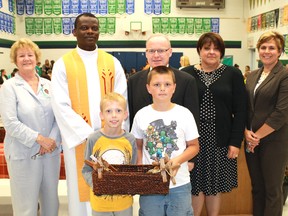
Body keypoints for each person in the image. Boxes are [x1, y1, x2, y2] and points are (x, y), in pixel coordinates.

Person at [51, 12, 128, 216]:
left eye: (94, 28)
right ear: (74, 32)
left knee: (111, 188)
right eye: (84, 28)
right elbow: (60, 104)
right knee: (81, 191)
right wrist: (89, 135)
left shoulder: (112, 62)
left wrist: (109, 133)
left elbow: (121, 99)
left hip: (110, 138)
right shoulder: (63, 64)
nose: (90, 31)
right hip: (79, 139)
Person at [181, 32, 247, 216]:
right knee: (195, 185)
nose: (211, 52)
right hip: (193, 141)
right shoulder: (186, 74)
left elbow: (241, 110)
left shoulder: (233, 74)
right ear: (199, 50)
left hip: (221, 140)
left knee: (214, 185)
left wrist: (235, 141)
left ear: (222, 53)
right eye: (207, 48)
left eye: (216, 49)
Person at [0, 38, 61, 216]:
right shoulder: (9, 87)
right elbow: (10, 123)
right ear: (15, 60)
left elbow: (59, 117)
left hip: (50, 153)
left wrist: (51, 141)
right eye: (21, 56)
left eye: (30, 55)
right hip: (23, 154)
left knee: (51, 204)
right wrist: (40, 139)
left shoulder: (48, 85)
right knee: (25, 207)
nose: (26, 59)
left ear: (37, 58)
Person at [131, 66, 199, 216]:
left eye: (167, 84)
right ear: (148, 88)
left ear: (174, 87)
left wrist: (178, 161)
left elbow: (194, 146)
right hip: (150, 184)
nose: (162, 89)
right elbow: (138, 146)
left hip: (179, 184)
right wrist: (140, 173)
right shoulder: (141, 115)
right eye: (157, 85)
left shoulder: (185, 114)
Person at [244, 31, 288, 216]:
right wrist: (247, 132)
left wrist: (256, 137)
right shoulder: (253, 75)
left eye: (272, 48)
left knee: (272, 190)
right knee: (257, 188)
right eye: (263, 47)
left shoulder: (284, 75)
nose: (266, 51)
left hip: (274, 141)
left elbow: (281, 112)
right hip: (252, 140)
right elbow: (246, 107)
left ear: (280, 52)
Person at [127, 33, 199, 130]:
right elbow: (131, 120)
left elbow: (192, 123)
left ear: (170, 52)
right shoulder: (133, 81)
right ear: (146, 53)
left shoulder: (187, 81)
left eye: (161, 51)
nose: (156, 55)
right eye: (151, 51)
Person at [82, 92, 137, 216]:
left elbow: (132, 169)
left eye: (118, 111)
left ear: (125, 114)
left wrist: (131, 186)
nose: (113, 115)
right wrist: (97, 186)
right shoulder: (93, 139)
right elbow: (86, 169)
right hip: (100, 203)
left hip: (124, 202)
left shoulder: (130, 139)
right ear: (101, 115)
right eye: (108, 111)